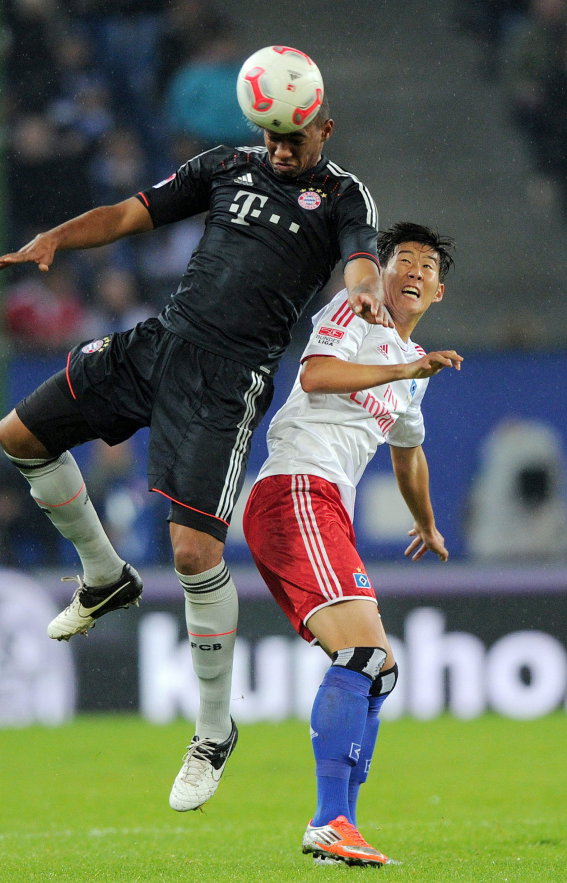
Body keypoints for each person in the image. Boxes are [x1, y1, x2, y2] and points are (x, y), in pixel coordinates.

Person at [0, 77, 391, 813]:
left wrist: (365, 284)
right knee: (19, 435)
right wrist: (56, 238)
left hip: (226, 383)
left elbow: (361, 254)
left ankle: (212, 732)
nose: (279, 148)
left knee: (193, 555)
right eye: (269, 135)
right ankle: (103, 573)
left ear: (324, 130)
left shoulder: (342, 197)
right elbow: (127, 212)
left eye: (293, 138)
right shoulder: (223, 166)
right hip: (160, 344)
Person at [243, 222, 462, 866]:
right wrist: (405, 364)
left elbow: (408, 455)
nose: (413, 272)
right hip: (296, 489)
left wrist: (424, 523)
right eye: (402, 260)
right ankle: (330, 821)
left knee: (379, 669)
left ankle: (338, 825)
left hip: (325, 505)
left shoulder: (410, 373)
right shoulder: (355, 308)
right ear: (382, 273)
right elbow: (314, 376)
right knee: (365, 657)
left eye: (426, 265)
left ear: (439, 292)